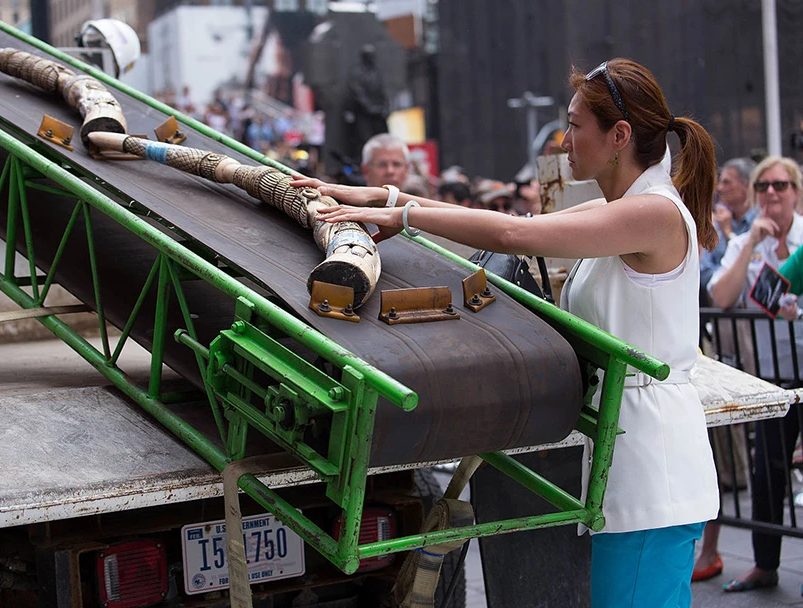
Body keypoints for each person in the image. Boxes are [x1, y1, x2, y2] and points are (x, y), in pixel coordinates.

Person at [292, 57, 719, 606]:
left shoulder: (652, 213)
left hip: (654, 467)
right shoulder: (627, 209)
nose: (565, 141)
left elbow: (514, 233)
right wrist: (386, 198)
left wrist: (398, 210)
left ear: (619, 135)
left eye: (575, 125)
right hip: (632, 459)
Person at [707, 156, 803, 593]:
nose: (771, 193)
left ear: (796, 191)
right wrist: (750, 246)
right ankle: (765, 563)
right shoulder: (744, 240)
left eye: (781, 185)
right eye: (764, 185)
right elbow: (722, 295)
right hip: (769, 377)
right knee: (767, 475)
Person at [691, 156, 758, 583]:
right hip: (717, 353)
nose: (720, 193)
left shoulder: (739, 232)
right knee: (713, 456)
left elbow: (715, 288)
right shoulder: (721, 233)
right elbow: (713, 286)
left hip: (748, 355)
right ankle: (712, 551)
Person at [699, 158, 758, 300]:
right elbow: (703, 272)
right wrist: (723, 284)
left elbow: (754, 271)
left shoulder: (760, 223)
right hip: (723, 311)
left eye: (727, 182)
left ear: (747, 186)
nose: (719, 188)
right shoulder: (716, 223)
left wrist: (728, 234)